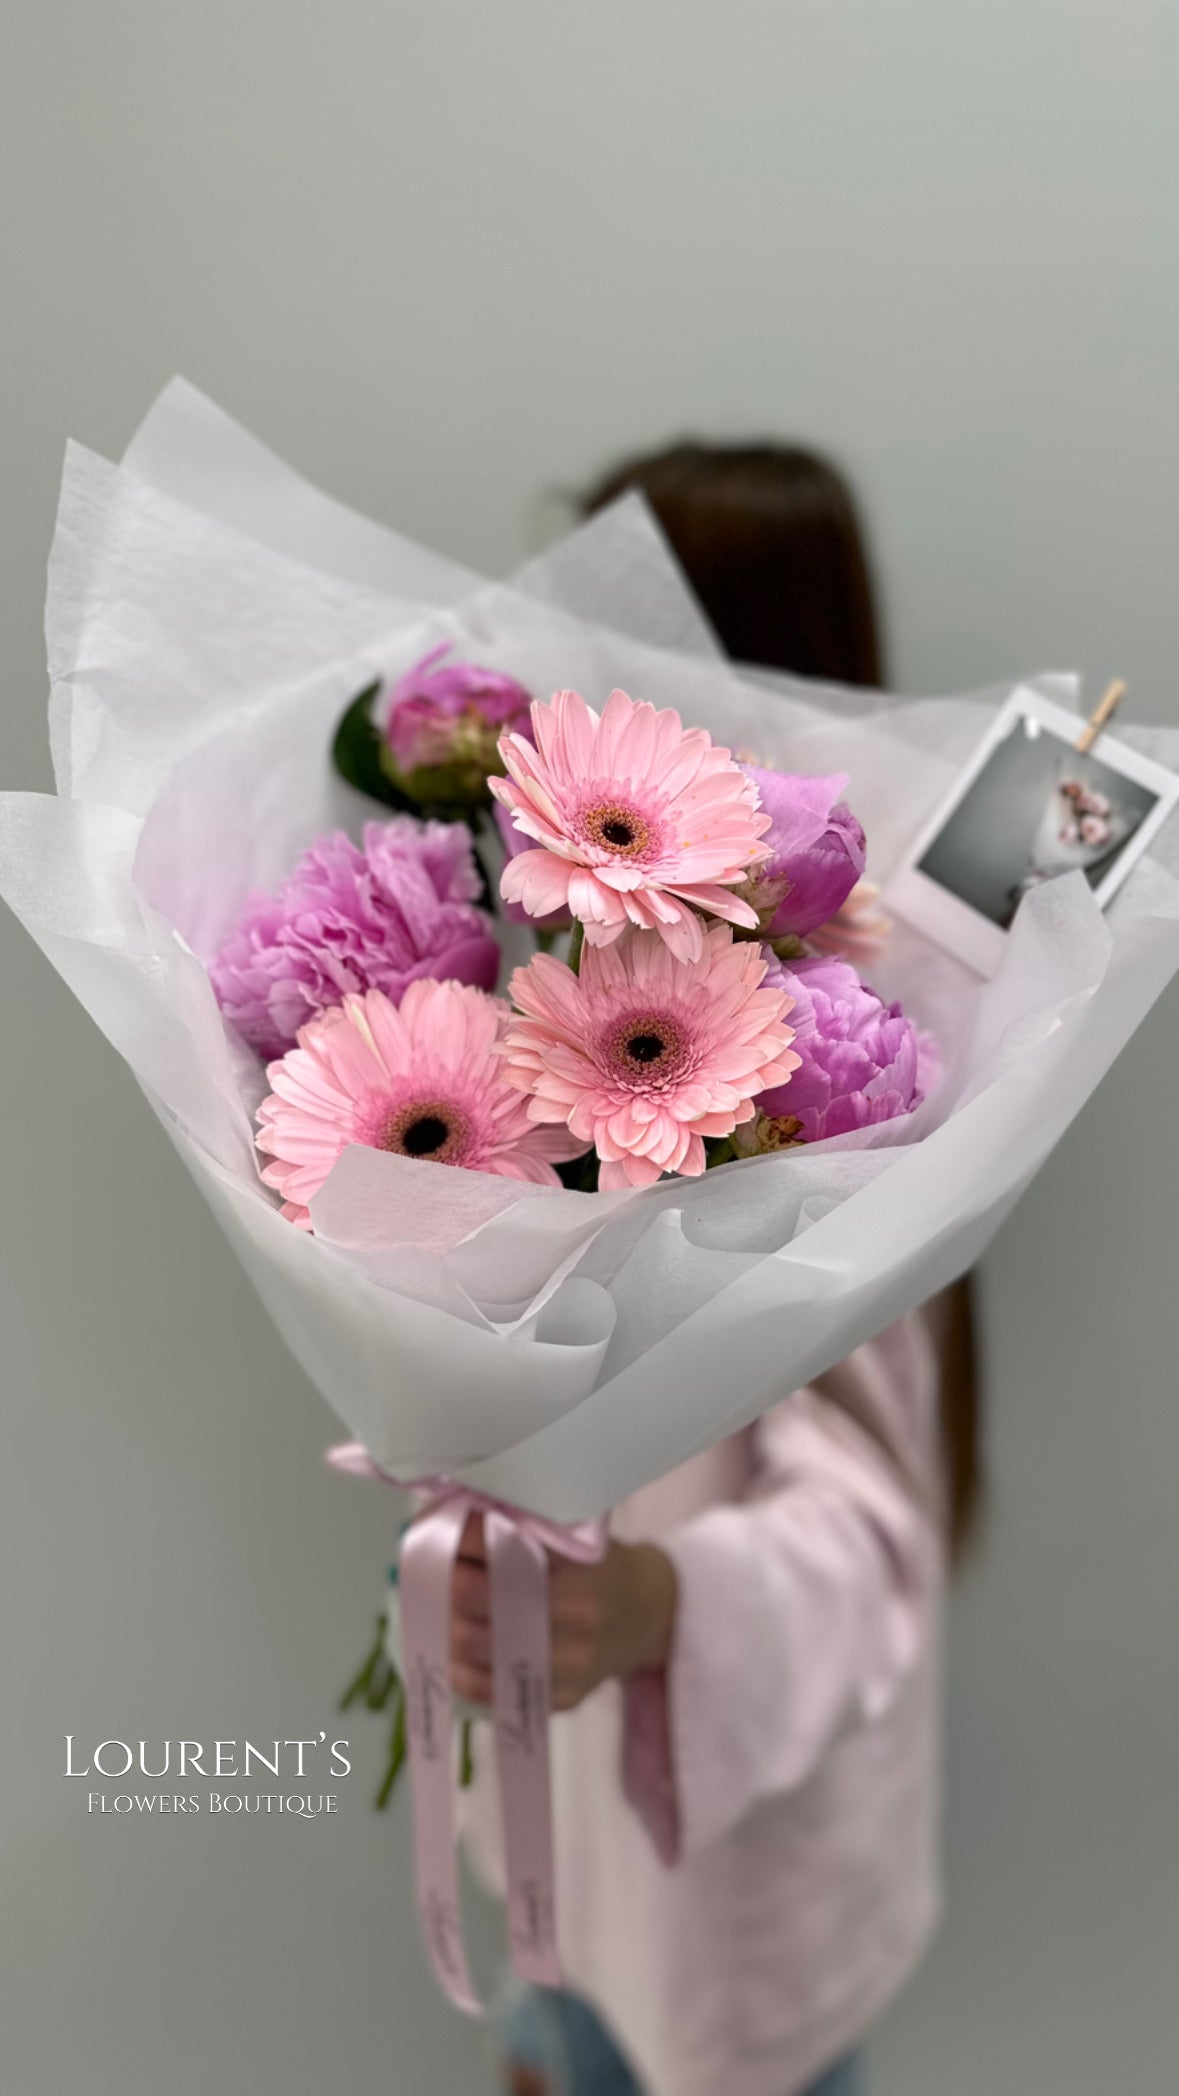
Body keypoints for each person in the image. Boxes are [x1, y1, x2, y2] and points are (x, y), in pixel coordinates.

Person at [453, 441, 981, 2096]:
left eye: (616, 652)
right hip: (553, 1823)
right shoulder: (589, 976)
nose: (564, 699)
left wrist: (647, 1606)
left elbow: (876, 1537)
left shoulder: (834, 1066)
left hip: (733, 1906)